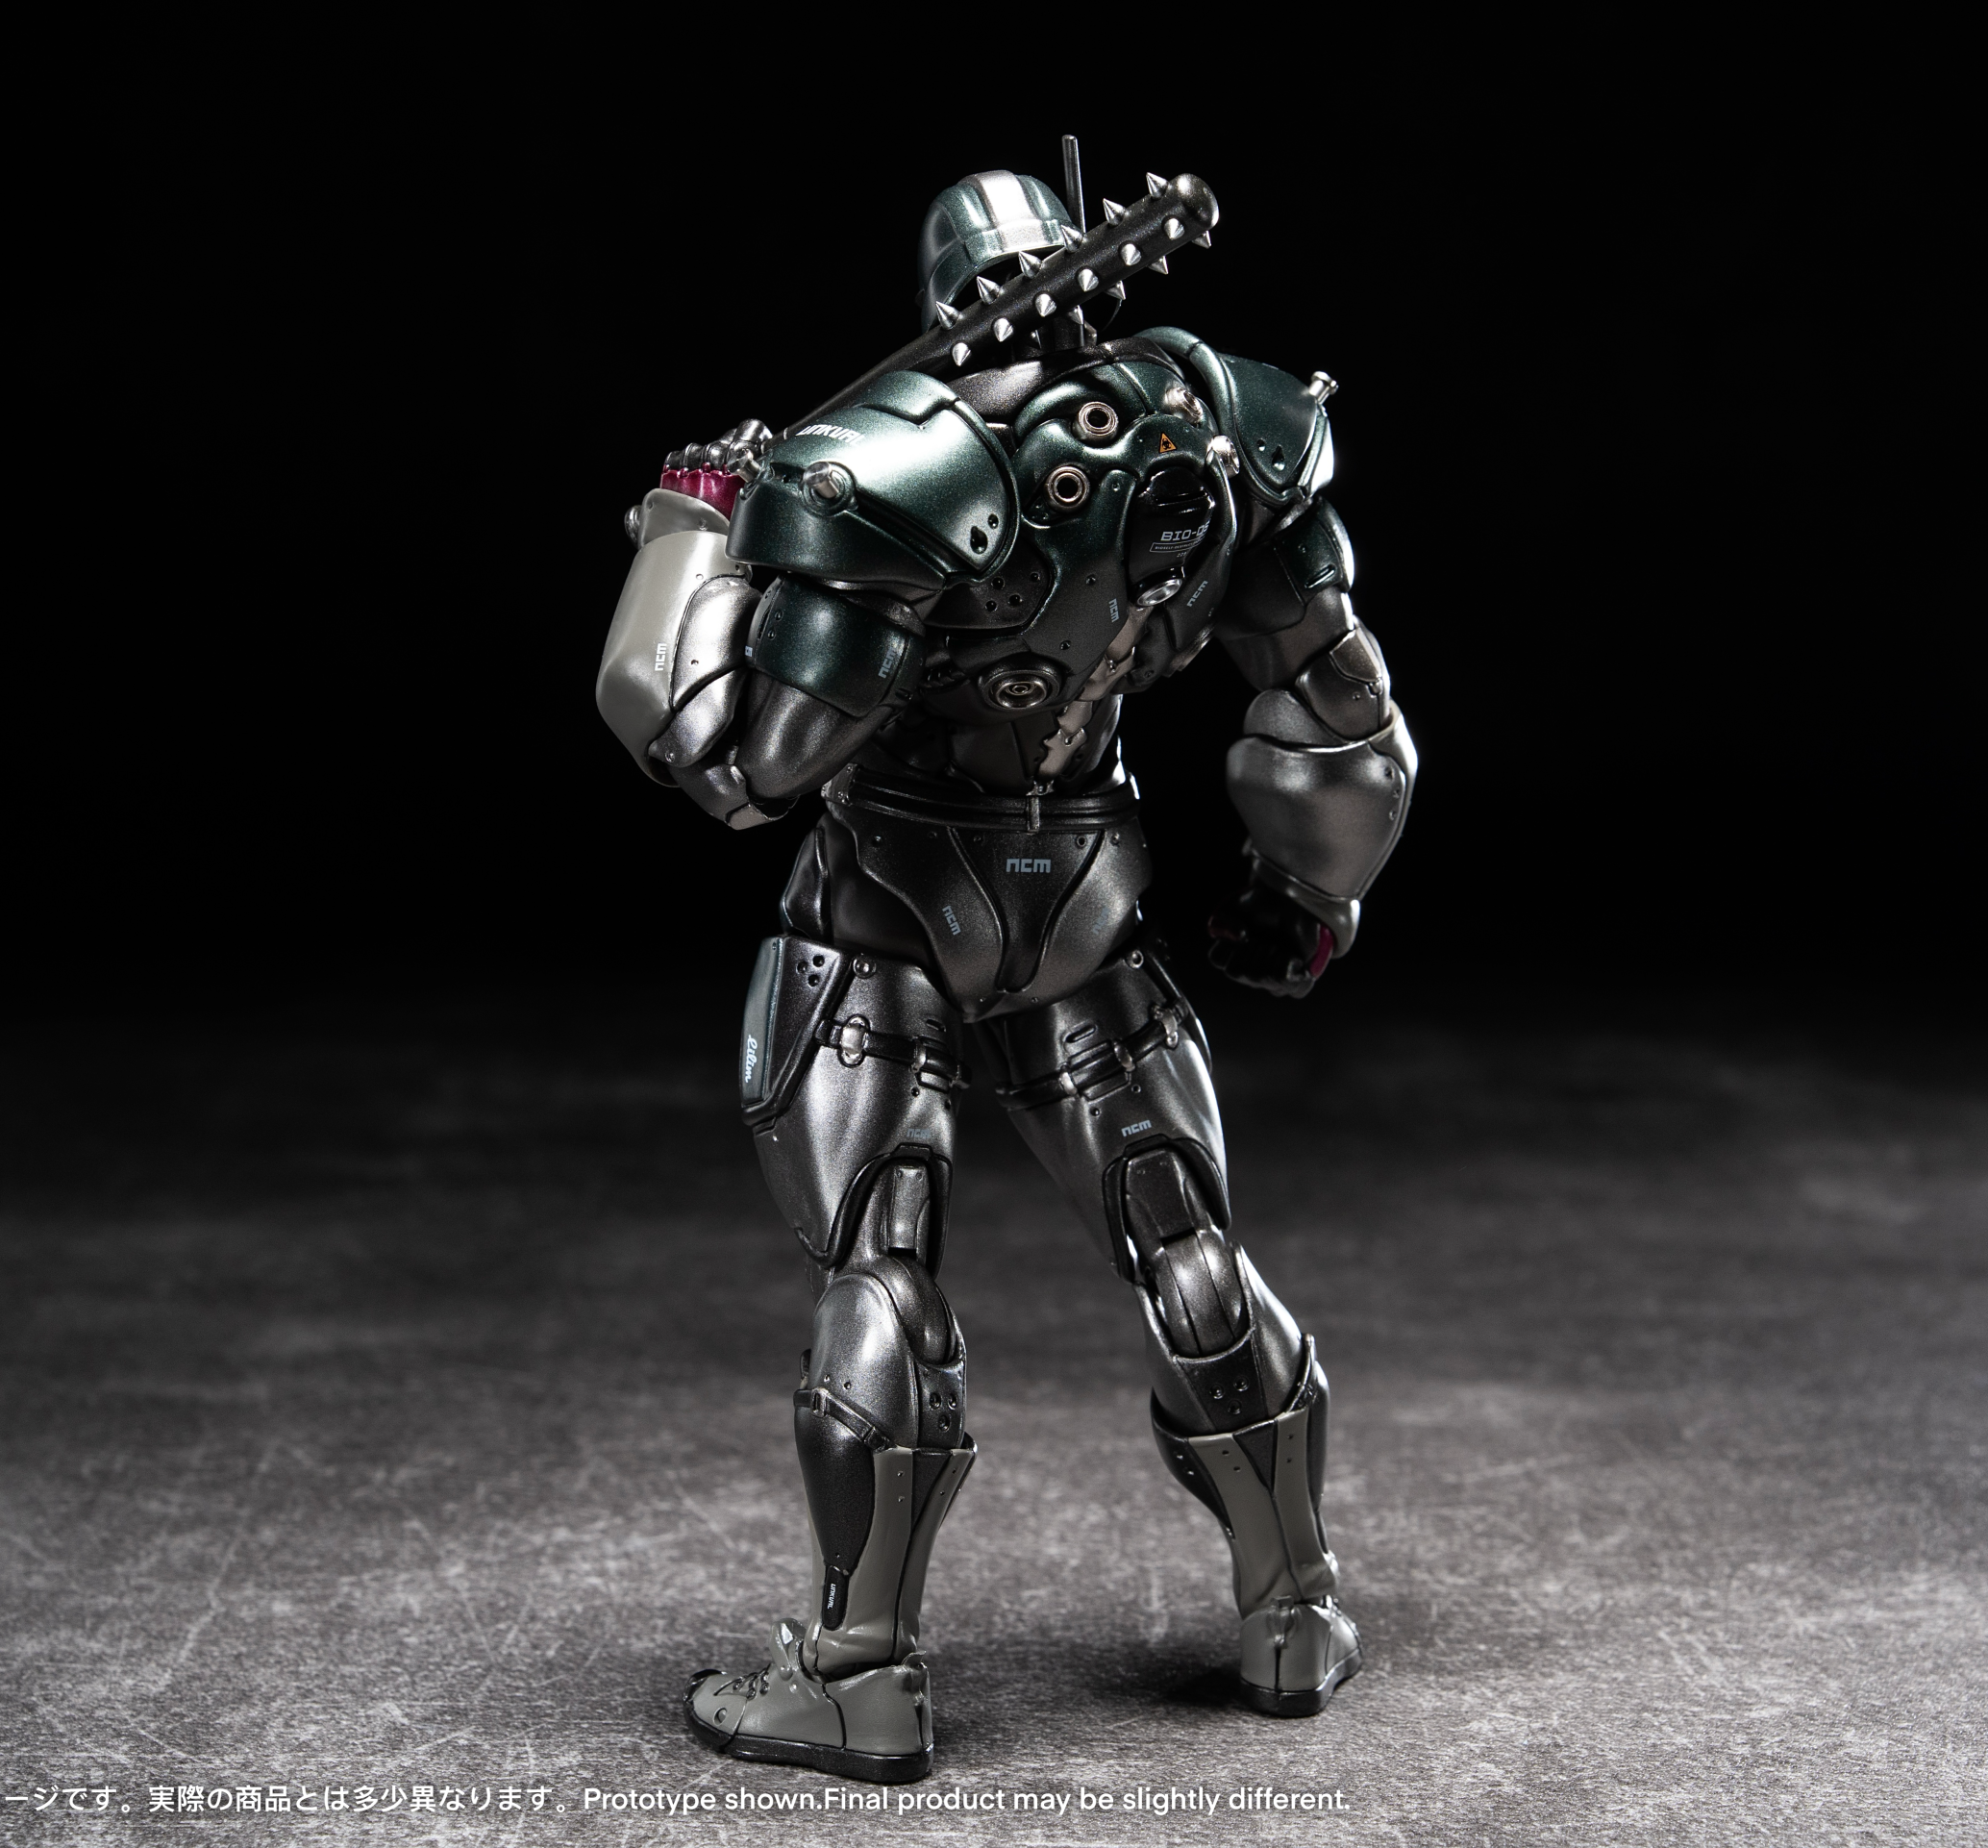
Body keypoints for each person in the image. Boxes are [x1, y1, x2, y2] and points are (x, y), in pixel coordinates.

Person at [595, 153, 1413, 1784]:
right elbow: (1337, 700)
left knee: (883, 1263)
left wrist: (694, 524)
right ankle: (1295, 1611)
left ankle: (855, 1676)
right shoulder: (1208, 433)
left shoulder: (885, 469)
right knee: (1182, 1237)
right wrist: (1311, 892)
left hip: (893, 899)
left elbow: (737, 761)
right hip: (1087, 893)